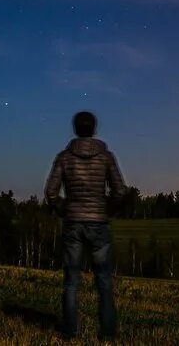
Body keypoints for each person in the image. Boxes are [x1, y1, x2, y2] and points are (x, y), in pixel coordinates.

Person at [44, 110, 127, 339]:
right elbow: (120, 191)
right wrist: (107, 209)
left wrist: (64, 209)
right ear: (94, 128)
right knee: (104, 281)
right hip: (99, 224)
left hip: (73, 223)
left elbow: (51, 192)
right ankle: (108, 334)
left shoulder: (64, 157)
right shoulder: (106, 157)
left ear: (75, 129)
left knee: (71, 281)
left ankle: (70, 333)